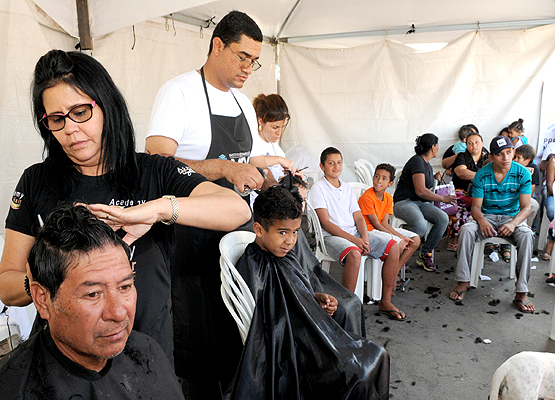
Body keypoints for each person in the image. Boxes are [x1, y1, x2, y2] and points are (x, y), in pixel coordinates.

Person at [0, 50, 251, 365]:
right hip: (61, 362)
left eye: (80, 112)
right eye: (56, 119)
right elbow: (7, 286)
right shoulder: (37, 181)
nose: (70, 129)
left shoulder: (153, 172)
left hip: (145, 357)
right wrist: (47, 271)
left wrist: (156, 210)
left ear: (106, 106)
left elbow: (236, 209)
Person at [145, 11, 265, 398]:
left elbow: (251, 160)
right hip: (190, 235)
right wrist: (220, 168)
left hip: (238, 228)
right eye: (243, 56)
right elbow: (157, 159)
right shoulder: (179, 91)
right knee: (198, 330)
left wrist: (272, 174)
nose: (249, 67)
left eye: (254, 60)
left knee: (239, 321)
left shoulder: (244, 103)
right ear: (217, 45)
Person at [0, 205, 185, 399]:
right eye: (93, 294)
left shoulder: (146, 351)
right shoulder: (14, 388)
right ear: (42, 299)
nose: (118, 313)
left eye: (125, 286)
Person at [228, 186, 390, 399]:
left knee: (375, 355)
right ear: (259, 229)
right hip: (296, 353)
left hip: (307, 338)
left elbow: (291, 295)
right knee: (364, 367)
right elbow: (271, 324)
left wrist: (314, 298)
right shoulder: (254, 267)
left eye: (295, 232)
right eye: (283, 232)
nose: (291, 241)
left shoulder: (282, 255)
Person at [449, 136, 535, 313]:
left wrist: (512, 224)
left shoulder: (523, 173)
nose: (506, 158)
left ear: (514, 152)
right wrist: (481, 220)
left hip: (512, 218)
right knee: (466, 230)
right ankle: (463, 281)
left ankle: (521, 292)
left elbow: (526, 208)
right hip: (486, 216)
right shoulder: (482, 174)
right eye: (500, 154)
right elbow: (476, 207)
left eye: (509, 153)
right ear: (491, 157)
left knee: (527, 235)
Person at [358, 163, 420, 320]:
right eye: (377, 176)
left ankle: (392, 277)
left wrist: (402, 237)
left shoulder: (388, 198)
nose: (379, 180)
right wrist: (399, 238)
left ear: (390, 183)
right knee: (398, 244)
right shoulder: (367, 196)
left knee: (415, 240)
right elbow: (376, 224)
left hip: (380, 229)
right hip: (368, 230)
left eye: (384, 178)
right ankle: (388, 287)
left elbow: (385, 223)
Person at [308, 147, 371, 293]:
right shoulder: (318, 188)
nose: (336, 166)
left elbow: (358, 216)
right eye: (331, 163)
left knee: (393, 246)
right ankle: (348, 301)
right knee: (355, 254)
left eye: (339, 162)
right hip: (330, 237)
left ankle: (384, 298)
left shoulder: (347, 188)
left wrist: (365, 238)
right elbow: (326, 223)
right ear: (322, 166)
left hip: (353, 234)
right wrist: (355, 240)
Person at [393, 134, 455, 272]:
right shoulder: (417, 162)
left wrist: (434, 178)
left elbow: (423, 185)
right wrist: (444, 199)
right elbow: (420, 190)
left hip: (420, 203)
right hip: (404, 202)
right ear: (433, 147)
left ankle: (425, 254)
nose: (438, 148)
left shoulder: (426, 164)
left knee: (443, 218)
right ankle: (399, 254)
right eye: (437, 145)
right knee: (420, 226)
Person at [446, 132, 489, 251]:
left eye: (476, 143)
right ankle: (455, 237)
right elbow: (461, 172)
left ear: (482, 144)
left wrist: (476, 177)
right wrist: (482, 176)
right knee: (458, 204)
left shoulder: (488, 157)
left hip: (482, 192)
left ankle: (483, 237)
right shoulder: (462, 156)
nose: (473, 146)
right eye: (470, 143)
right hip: (462, 190)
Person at [513, 145, 540, 230]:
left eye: (519, 158)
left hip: (524, 195)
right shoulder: (512, 166)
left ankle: (528, 228)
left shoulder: (533, 168)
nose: (515, 160)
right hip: (511, 195)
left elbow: (530, 193)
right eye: (515, 157)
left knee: (534, 204)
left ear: (527, 160)